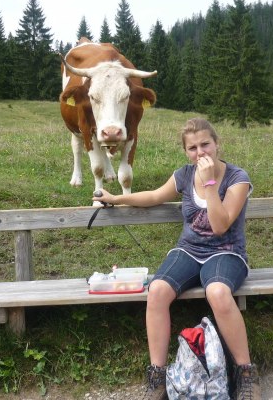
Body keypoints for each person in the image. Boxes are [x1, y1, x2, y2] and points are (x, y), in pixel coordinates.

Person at [93, 118, 261, 400]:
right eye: (193, 148)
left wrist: (209, 184)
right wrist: (116, 198)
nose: (201, 153)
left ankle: (247, 373)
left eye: (205, 144)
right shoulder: (183, 175)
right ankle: (157, 376)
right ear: (186, 152)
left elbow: (220, 226)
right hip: (188, 250)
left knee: (217, 292)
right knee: (157, 291)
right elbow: (155, 195)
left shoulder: (237, 178)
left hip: (226, 252)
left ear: (217, 144)